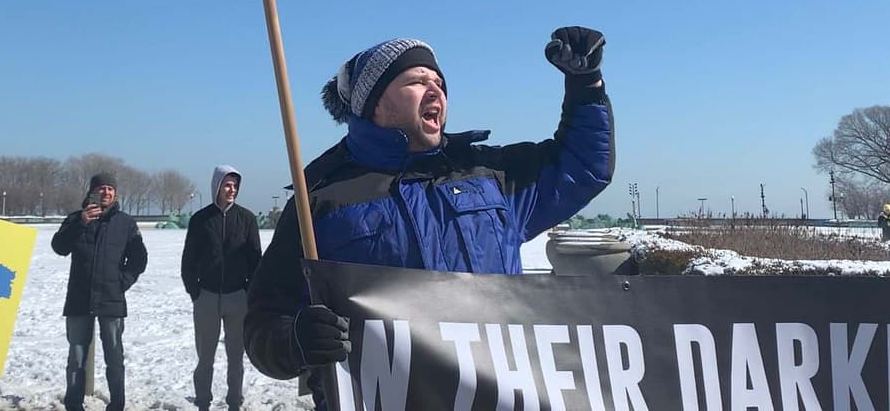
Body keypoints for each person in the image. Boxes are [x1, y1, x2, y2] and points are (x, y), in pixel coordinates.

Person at [244, 27, 614, 408]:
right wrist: (294, 341)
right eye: (417, 81)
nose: (435, 89)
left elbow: (583, 167)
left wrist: (586, 84)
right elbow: (264, 321)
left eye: (438, 82)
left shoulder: (489, 175)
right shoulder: (319, 201)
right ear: (373, 103)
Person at [51, 173, 148, 411]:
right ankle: (74, 404)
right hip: (79, 298)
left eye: (110, 189)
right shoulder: (76, 219)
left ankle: (117, 404)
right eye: (101, 188)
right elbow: (59, 247)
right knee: (76, 357)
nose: (106, 192)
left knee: (114, 357)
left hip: (111, 299)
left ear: (115, 194)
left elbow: (139, 258)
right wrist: (80, 223)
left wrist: (121, 282)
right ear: (91, 192)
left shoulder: (125, 223)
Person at [181, 165, 262, 411]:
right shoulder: (200, 220)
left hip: (238, 298)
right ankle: (203, 402)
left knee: (236, 358)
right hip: (206, 298)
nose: (232, 190)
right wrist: (195, 292)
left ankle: (234, 403)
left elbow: (255, 259)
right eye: (227, 185)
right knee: (205, 358)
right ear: (217, 186)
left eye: (235, 185)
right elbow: (188, 261)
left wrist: (248, 291)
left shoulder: (247, 219)